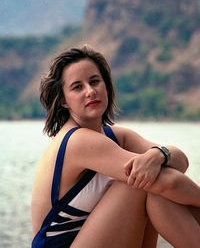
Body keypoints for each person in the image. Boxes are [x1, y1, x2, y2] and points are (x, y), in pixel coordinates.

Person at [31, 45, 200, 248]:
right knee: (140, 183)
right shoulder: (78, 141)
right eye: (77, 87)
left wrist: (158, 156)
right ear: (64, 101)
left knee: (149, 185)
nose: (90, 91)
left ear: (106, 85)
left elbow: (180, 162)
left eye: (95, 81)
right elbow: (167, 182)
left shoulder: (116, 135)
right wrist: (154, 163)